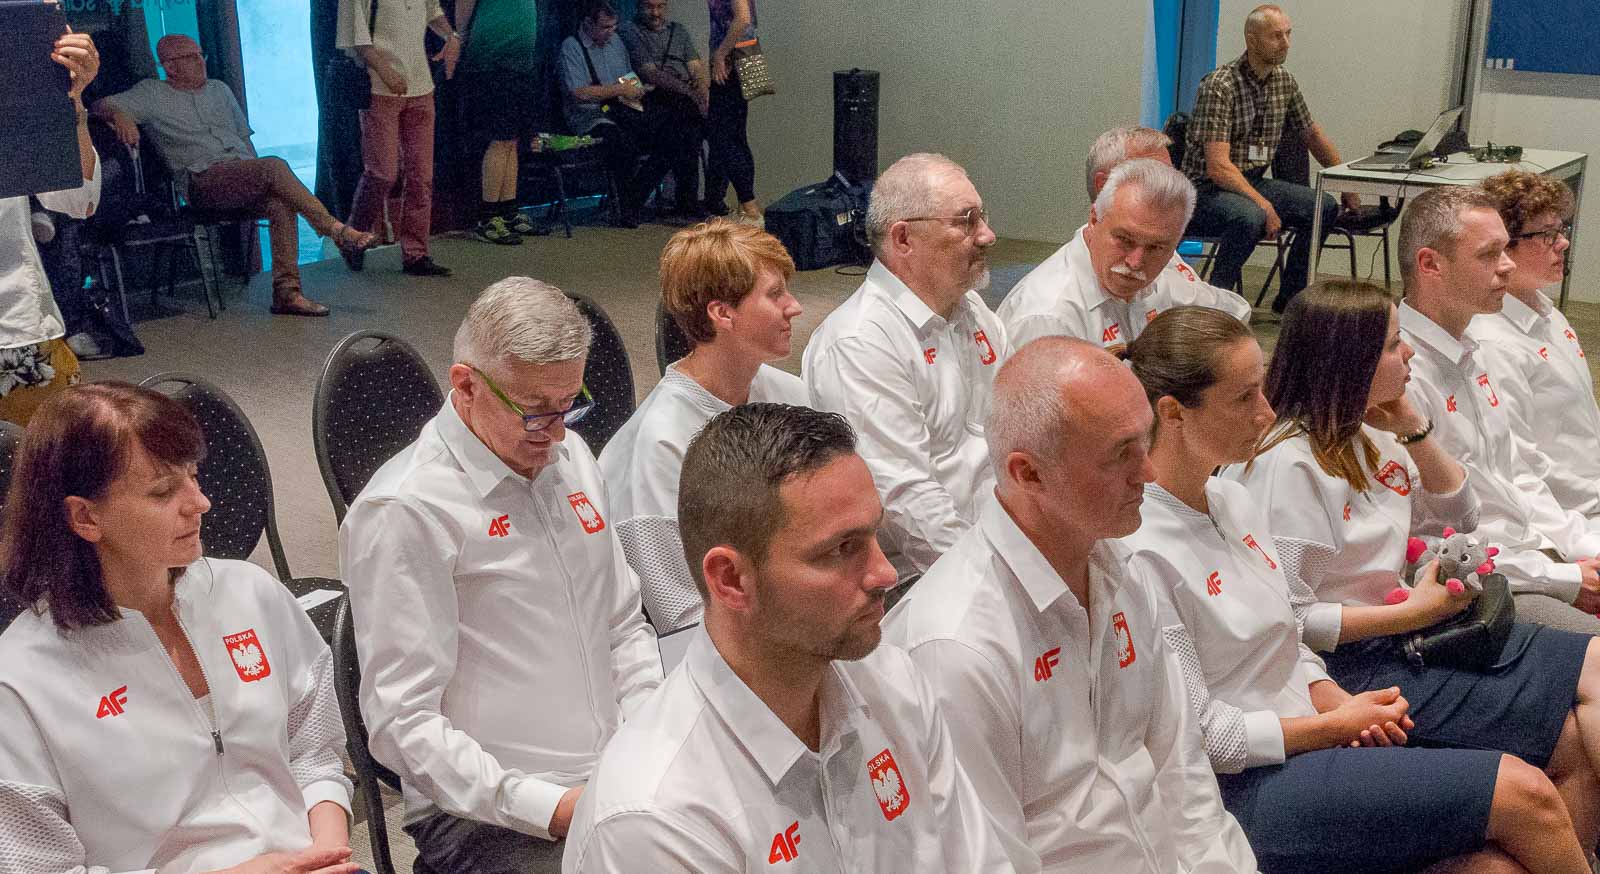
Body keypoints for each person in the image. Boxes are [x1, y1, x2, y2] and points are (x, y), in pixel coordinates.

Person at [1121, 306, 1589, 874]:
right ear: (1173, 413)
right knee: (1524, 792)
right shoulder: (1144, 550)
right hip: (1246, 782)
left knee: (1501, 857)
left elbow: (1286, 636)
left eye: (1262, 389)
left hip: (1314, 718)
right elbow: (1203, 737)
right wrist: (1333, 724)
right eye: (1244, 398)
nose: (1265, 411)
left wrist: (1338, 702)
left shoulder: (1229, 500)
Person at [563, 404, 1016, 873]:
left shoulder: (894, 682)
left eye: (875, 536)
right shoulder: (653, 818)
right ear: (732, 580)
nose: (885, 573)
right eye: (843, 549)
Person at [1232, 281, 1600, 852]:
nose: (1408, 354)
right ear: (1348, 361)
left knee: (1587, 704)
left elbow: (1463, 512)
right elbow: (1289, 622)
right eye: (1392, 345)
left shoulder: (1369, 432)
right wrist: (1415, 612)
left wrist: (1412, 425)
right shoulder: (1290, 465)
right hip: (1347, 670)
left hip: (1410, 634)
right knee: (1574, 730)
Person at [882, 337, 1258, 873]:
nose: (1149, 472)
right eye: (1120, 454)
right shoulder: (957, 648)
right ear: (1029, 474)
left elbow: (1182, 770)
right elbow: (990, 861)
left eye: (1145, 440)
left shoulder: (1124, 569)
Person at [341, 278, 663, 874]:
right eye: (536, 412)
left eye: (570, 404)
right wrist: (551, 808)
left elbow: (623, 625)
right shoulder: (408, 510)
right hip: (484, 811)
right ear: (466, 386)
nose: (558, 432)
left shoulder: (572, 458)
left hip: (612, 769)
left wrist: (646, 739)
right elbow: (401, 722)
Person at [0, 383, 359, 874]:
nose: (200, 502)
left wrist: (328, 851)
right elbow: (42, 868)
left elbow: (315, 750)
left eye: (193, 476)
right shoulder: (20, 681)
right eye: (163, 491)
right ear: (85, 516)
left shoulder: (250, 592)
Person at [1388, 186, 1600, 633]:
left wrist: (1579, 547)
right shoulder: (1401, 375)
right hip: (1482, 585)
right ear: (1431, 265)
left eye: (1505, 250)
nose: (1507, 265)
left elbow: (1521, 476)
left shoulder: (1472, 350)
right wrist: (1561, 576)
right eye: (1489, 254)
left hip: (1532, 554)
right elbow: (1426, 546)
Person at [803, 153, 1007, 580]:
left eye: (982, 216)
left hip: (994, 542)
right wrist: (992, 583)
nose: (987, 235)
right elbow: (905, 500)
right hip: (912, 577)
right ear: (903, 239)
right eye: (966, 221)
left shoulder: (972, 310)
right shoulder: (861, 342)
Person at [598, 220, 806, 632]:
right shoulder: (659, 443)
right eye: (775, 294)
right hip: (727, 643)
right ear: (722, 313)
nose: (794, 306)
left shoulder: (790, 395)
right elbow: (679, 614)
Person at [94, 35, 372, 316]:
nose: (200, 62)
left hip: (243, 174)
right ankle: (335, 230)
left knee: (280, 202)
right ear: (170, 66)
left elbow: (244, 140)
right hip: (203, 181)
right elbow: (98, 105)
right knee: (273, 165)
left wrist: (262, 176)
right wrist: (120, 116)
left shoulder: (219, 90)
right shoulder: (151, 93)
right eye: (191, 57)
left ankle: (287, 294)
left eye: (201, 55)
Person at [1181, 4, 1353, 312]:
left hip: (1252, 180)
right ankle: (1214, 302)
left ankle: (1291, 300)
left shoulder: (1284, 81)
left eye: (1288, 34)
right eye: (1276, 36)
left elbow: (1312, 134)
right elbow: (1218, 167)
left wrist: (1346, 181)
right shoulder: (1220, 86)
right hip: (1206, 189)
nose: (1286, 43)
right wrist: (1263, 204)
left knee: (1323, 206)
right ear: (1252, 40)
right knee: (1250, 216)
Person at [998, 157, 1250, 351]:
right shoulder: (1047, 317)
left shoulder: (1165, 276)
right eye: (1124, 240)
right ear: (1094, 219)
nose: (1135, 262)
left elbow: (1235, 313)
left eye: (1156, 248)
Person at [1474, 171, 1600, 518]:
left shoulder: (1547, 312)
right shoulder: (1493, 343)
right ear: (1502, 247)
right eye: (1548, 235)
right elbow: (1523, 467)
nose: (1563, 243)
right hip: (1572, 515)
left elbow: (1582, 423)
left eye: (1562, 230)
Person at [0, 31, 101, 426]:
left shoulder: (11, 98)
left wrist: (70, 100)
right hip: (17, 328)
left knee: (47, 460)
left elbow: (77, 199)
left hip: (15, 332)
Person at [336, 0, 459, 277]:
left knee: (422, 176)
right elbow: (355, 35)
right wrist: (384, 70)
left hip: (421, 86)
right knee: (383, 173)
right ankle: (353, 234)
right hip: (379, 88)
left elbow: (432, 11)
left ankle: (416, 254)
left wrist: (451, 36)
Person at [560, 0, 685, 228]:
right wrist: (619, 90)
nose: (611, 32)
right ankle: (627, 206)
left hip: (624, 110)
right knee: (621, 143)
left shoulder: (616, 42)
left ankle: (634, 198)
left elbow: (627, 77)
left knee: (673, 135)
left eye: (614, 26)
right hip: (592, 118)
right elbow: (578, 93)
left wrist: (638, 90)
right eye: (605, 27)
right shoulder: (572, 47)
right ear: (588, 24)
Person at [454, 0, 546, 245]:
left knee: (512, 140)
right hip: (491, 63)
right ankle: (488, 217)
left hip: (521, 65)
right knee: (499, 139)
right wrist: (458, 37)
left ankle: (508, 211)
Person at [621, 0, 711, 220]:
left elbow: (695, 66)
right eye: (649, 7)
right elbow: (650, 74)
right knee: (684, 134)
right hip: (652, 99)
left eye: (660, 6)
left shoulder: (678, 31)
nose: (655, 13)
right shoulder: (629, 31)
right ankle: (687, 201)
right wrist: (691, 94)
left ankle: (635, 199)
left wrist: (702, 90)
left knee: (686, 134)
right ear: (639, 7)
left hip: (684, 101)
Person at [704, 0, 763, 224]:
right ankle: (748, 207)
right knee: (736, 136)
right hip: (740, 59)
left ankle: (749, 206)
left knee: (723, 136)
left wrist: (720, 54)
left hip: (731, 62)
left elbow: (743, 18)